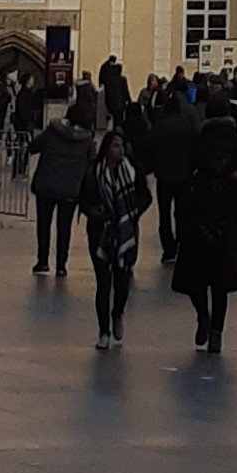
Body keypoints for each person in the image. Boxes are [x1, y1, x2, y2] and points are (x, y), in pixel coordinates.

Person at [172, 114, 237, 354]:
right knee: (220, 286)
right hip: (225, 231)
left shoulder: (201, 149)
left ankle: (204, 318)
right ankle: (216, 330)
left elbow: (187, 198)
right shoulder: (232, 157)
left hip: (199, 227)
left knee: (196, 281)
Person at [81, 128, 143, 348]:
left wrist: (132, 213)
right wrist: (96, 213)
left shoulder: (132, 170)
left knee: (122, 283)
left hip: (126, 232)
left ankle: (117, 313)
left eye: (122, 146)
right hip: (101, 233)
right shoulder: (94, 172)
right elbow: (84, 199)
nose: (120, 150)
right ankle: (103, 331)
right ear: (106, 149)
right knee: (103, 283)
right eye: (115, 146)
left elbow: (145, 196)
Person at [30, 97, 98, 278]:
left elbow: (34, 146)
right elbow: (93, 164)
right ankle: (61, 265)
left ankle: (42, 261)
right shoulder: (87, 140)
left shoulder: (53, 131)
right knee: (64, 226)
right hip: (71, 189)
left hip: (46, 185)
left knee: (44, 224)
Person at [146, 90, 200, 265]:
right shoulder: (188, 127)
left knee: (164, 213)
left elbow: (151, 150)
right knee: (183, 212)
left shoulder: (159, 127)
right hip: (184, 175)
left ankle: (168, 249)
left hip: (164, 175)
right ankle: (182, 243)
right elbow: (195, 150)